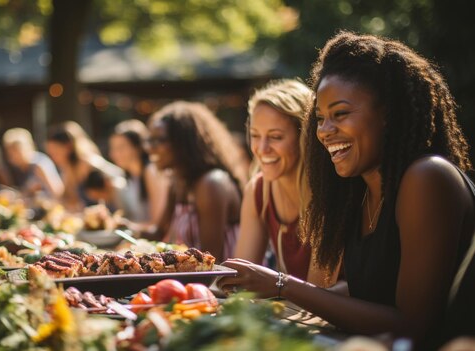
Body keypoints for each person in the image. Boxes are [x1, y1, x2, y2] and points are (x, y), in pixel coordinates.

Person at [218, 32, 475, 348]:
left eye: (340, 114)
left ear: (389, 113)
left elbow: (411, 325)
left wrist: (283, 285)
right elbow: (361, 294)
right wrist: (279, 301)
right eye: (321, 118)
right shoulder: (358, 190)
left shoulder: (428, 178)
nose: (324, 131)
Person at [233, 79, 336, 286]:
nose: (262, 149)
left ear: (305, 137)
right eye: (255, 135)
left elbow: (319, 294)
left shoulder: (327, 193)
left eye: (276, 137)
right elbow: (238, 279)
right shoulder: (258, 190)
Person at [146, 101, 248, 262]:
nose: (150, 147)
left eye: (159, 140)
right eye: (149, 140)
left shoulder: (211, 184)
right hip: (194, 277)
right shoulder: (178, 181)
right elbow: (157, 232)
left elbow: (210, 260)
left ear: (185, 142)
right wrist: (120, 229)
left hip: (225, 283)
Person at [45, 121, 124, 211]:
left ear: (68, 147)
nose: (53, 157)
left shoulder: (88, 163)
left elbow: (118, 185)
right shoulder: (69, 168)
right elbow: (66, 198)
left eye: (55, 152)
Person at [109, 119, 169, 223]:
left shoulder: (152, 172)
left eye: (121, 147)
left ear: (138, 147)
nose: (114, 154)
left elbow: (157, 224)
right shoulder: (127, 178)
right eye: (113, 148)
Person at [2, 128, 64, 201]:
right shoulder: (22, 167)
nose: (12, 156)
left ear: (27, 147)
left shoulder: (39, 164)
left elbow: (57, 193)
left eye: (16, 151)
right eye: (10, 152)